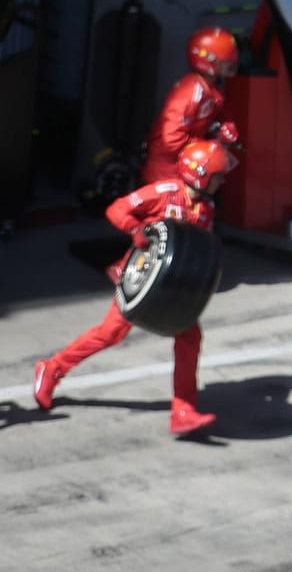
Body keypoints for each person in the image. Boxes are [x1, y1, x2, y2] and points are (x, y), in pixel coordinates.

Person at [33, 141, 237, 437]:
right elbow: (117, 209)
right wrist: (135, 230)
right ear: (201, 175)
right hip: (140, 276)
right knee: (111, 333)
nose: (223, 180)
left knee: (189, 336)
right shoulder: (164, 193)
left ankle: (183, 410)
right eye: (218, 175)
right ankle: (52, 368)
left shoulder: (206, 208)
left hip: (170, 286)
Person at [143, 27, 240, 185]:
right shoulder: (191, 90)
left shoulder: (212, 88)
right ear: (209, 61)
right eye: (226, 62)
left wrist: (224, 127)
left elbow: (215, 116)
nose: (232, 65)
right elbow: (171, 139)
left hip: (186, 169)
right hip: (166, 173)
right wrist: (206, 147)